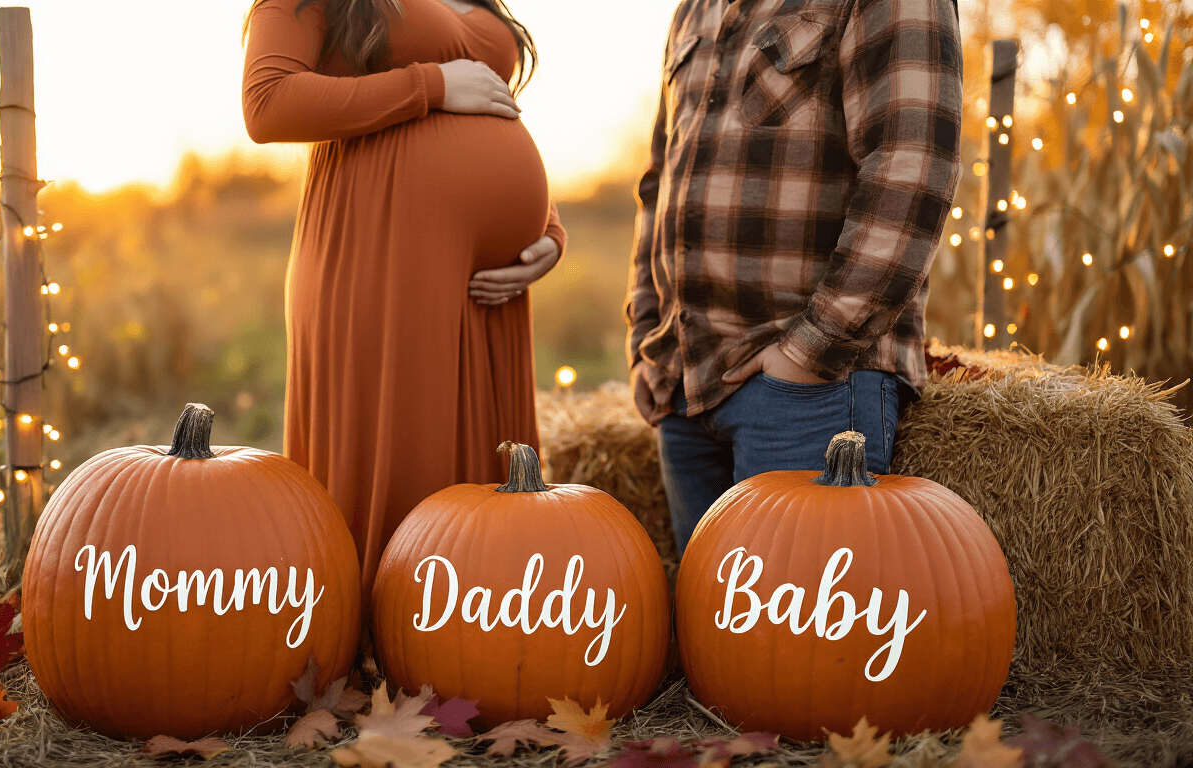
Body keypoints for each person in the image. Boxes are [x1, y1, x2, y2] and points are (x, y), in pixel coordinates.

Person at [241, 0, 565, 599]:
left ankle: (486, 640)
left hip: (489, 295)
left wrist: (546, 230)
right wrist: (431, 85)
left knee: (488, 480)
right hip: (380, 252)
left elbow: (492, 106)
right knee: (410, 468)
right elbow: (268, 103)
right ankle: (390, 650)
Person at [626, 0, 963, 551]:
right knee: (707, 628)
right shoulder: (696, 9)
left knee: (795, 632)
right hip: (686, 388)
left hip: (806, 392)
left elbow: (912, 165)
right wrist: (645, 339)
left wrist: (809, 352)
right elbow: (657, 184)